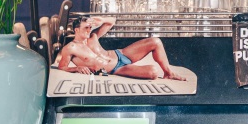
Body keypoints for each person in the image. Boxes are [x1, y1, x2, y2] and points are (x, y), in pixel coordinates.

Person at [56, 17, 186, 81]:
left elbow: (111, 21)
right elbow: (62, 67)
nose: (89, 30)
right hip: (116, 68)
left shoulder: (93, 36)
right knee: (152, 72)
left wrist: (101, 20)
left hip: (121, 54)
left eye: (90, 27)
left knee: (155, 41)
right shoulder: (70, 48)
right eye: (86, 28)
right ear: (76, 30)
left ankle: (169, 72)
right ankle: (163, 72)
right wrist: (76, 68)